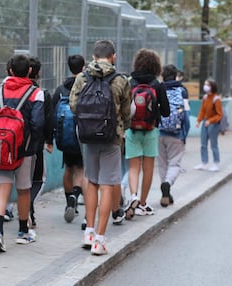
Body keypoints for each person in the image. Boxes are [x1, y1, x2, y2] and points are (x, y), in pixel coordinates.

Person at [69, 40, 131, 255]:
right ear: (113, 56)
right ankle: (100, 241)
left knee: (92, 182)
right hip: (111, 138)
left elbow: (74, 106)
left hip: (87, 136)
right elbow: (126, 112)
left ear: (94, 57)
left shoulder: (82, 77)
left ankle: (88, 231)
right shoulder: (121, 80)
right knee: (108, 185)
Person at [0, 54, 45, 252]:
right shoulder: (36, 93)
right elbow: (38, 123)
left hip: (1, 150)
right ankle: (22, 232)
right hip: (24, 151)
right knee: (24, 189)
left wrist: (0, 140)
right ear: (29, 71)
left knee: (2, 188)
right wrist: (31, 144)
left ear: (10, 70)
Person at [124, 48, 170, 219]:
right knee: (148, 168)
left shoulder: (130, 82)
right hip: (151, 130)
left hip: (132, 129)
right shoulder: (157, 85)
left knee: (133, 167)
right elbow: (166, 112)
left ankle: (133, 195)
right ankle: (142, 204)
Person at [52, 54, 86, 223]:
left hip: (65, 138)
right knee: (81, 170)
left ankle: (68, 201)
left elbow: (52, 114)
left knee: (68, 170)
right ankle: (76, 196)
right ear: (83, 67)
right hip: (81, 136)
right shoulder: (86, 86)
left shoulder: (60, 90)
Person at [26, 56, 54, 228]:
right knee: (38, 179)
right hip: (34, 144)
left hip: (12, 144)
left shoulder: (7, 91)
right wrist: (49, 140)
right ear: (39, 73)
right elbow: (48, 120)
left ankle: (13, 210)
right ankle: (27, 205)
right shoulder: (42, 94)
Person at [158, 64, 190, 207]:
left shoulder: (159, 88)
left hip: (159, 132)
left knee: (162, 164)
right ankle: (168, 183)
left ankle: (165, 192)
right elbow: (186, 116)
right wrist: (184, 135)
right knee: (175, 163)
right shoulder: (182, 91)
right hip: (176, 134)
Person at [193, 78, 223, 172]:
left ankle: (216, 163)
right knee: (203, 143)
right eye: (205, 84)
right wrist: (199, 120)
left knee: (213, 144)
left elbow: (219, 114)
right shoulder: (205, 98)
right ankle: (203, 162)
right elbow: (202, 110)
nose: (205, 86)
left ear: (212, 87)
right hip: (205, 122)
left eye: (208, 85)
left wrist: (210, 121)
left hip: (213, 124)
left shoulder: (216, 99)